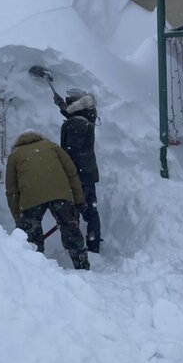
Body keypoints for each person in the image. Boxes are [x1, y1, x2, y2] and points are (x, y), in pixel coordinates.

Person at [5, 131, 90, 269]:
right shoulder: (52, 146)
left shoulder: (15, 155)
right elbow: (71, 173)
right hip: (60, 193)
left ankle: (35, 268)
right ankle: (82, 263)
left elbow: (12, 190)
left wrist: (18, 218)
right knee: (70, 229)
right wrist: (78, 199)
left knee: (31, 236)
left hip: (31, 196)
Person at [57, 88, 101, 254]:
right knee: (91, 212)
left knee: (71, 213)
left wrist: (67, 173)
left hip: (78, 176)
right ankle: (93, 246)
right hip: (88, 174)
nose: (67, 104)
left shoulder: (76, 123)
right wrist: (61, 105)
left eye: (69, 102)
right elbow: (71, 114)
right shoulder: (86, 118)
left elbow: (71, 152)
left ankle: (75, 249)